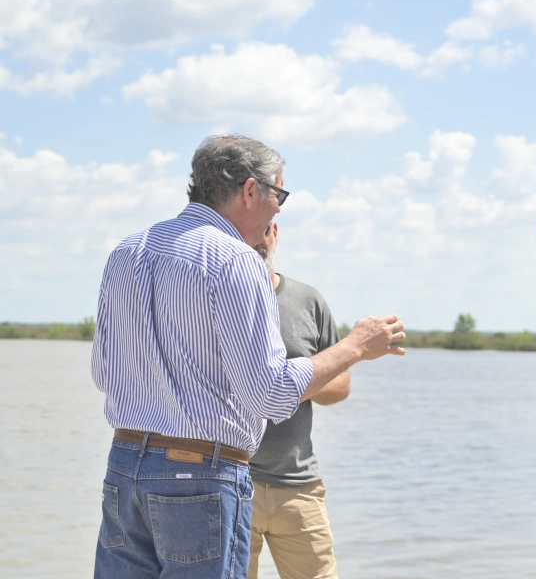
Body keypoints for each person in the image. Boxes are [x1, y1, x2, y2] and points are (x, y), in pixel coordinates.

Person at [91, 134, 406, 579]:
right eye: (279, 193)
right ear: (251, 190)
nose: (279, 207)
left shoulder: (127, 251)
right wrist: (355, 345)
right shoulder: (236, 260)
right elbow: (273, 395)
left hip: (124, 465)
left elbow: (104, 373)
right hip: (201, 474)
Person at [248, 222, 348, 579]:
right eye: (249, 232)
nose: (259, 241)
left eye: (264, 232)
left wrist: (289, 378)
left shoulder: (309, 301)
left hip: (298, 484)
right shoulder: (221, 299)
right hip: (231, 482)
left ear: (275, 231)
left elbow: (341, 386)